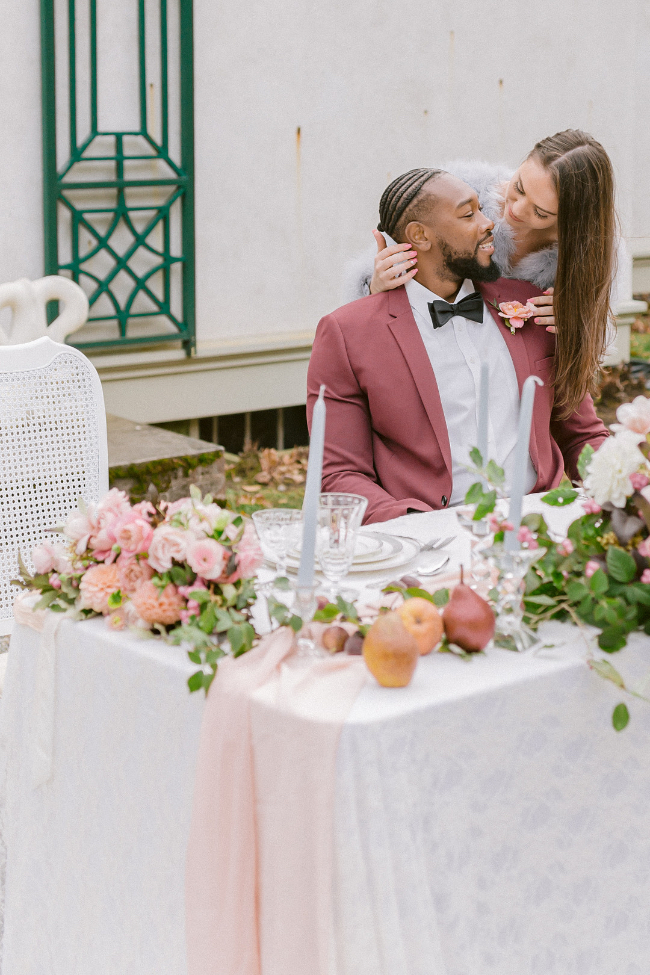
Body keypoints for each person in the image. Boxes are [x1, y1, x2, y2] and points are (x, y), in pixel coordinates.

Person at [307, 168, 608, 524]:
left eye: (483, 209)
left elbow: (582, 436)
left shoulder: (535, 309)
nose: (489, 223)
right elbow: (339, 475)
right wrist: (421, 528)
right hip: (427, 533)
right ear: (420, 235)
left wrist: (628, 486)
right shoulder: (346, 334)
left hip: (542, 523)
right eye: (469, 215)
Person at [344, 130, 619, 418]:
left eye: (540, 212)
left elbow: (598, 338)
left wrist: (579, 323)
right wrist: (376, 286)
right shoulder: (461, 191)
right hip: (433, 367)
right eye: (520, 187)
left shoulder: (591, 254)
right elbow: (365, 305)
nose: (517, 210)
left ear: (572, 218)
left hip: (517, 392)